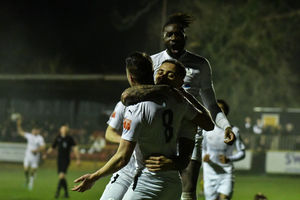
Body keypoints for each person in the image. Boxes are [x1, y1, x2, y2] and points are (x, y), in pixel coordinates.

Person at [72, 52, 214, 199]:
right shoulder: (178, 104)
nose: (163, 76)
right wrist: (128, 141)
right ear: (154, 73)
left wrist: (94, 177)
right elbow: (111, 132)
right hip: (136, 173)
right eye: (160, 71)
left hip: (147, 176)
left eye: (170, 75)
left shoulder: (142, 105)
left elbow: (122, 157)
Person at [202, 99, 246, 200]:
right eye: (216, 109)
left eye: (221, 109)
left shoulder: (234, 130)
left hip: (226, 172)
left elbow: (242, 153)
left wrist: (229, 159)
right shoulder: (206, 130)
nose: (218, 112)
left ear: (226, 112)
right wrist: (204, 157)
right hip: (209, 172)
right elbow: (201, 148)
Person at [44, 124, 80, 198]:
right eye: (62, 128)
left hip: (66, 160)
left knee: (61, 176)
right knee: (62, 177)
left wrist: (78, 159)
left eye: (64, 129)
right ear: (60, 130)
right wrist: (46, 154)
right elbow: (52, 147)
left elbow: (75, 148)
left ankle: (57, 193)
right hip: (59, 160)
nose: (63, 130)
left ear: (66, 130)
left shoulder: (69, 138)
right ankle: (66, 194)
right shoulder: (58, 138)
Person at [16, 118, 45, 190]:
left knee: (32, 171)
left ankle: (31, 183)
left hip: (35, 157)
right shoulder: (29, 136)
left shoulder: (40, 138)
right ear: (32, 130)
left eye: (36, 130)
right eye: (34, 130)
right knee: (26, 169)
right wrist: (18, 124)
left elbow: (43, 147)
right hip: (28, 156)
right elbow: (20, 132)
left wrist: (36, 150)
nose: (34, 131)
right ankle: (27, 180)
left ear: (38, 131)